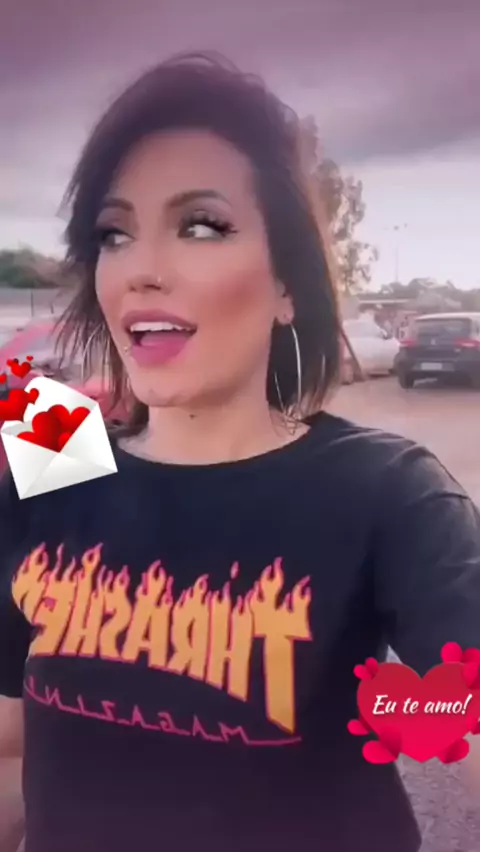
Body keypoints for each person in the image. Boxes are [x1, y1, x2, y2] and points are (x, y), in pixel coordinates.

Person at [1, 52, 480, 852]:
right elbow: (15, 748)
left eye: (200, 225)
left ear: (287, 284)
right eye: (115, 233)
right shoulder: (54, 464)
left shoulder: (386, 492)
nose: (142, 269)